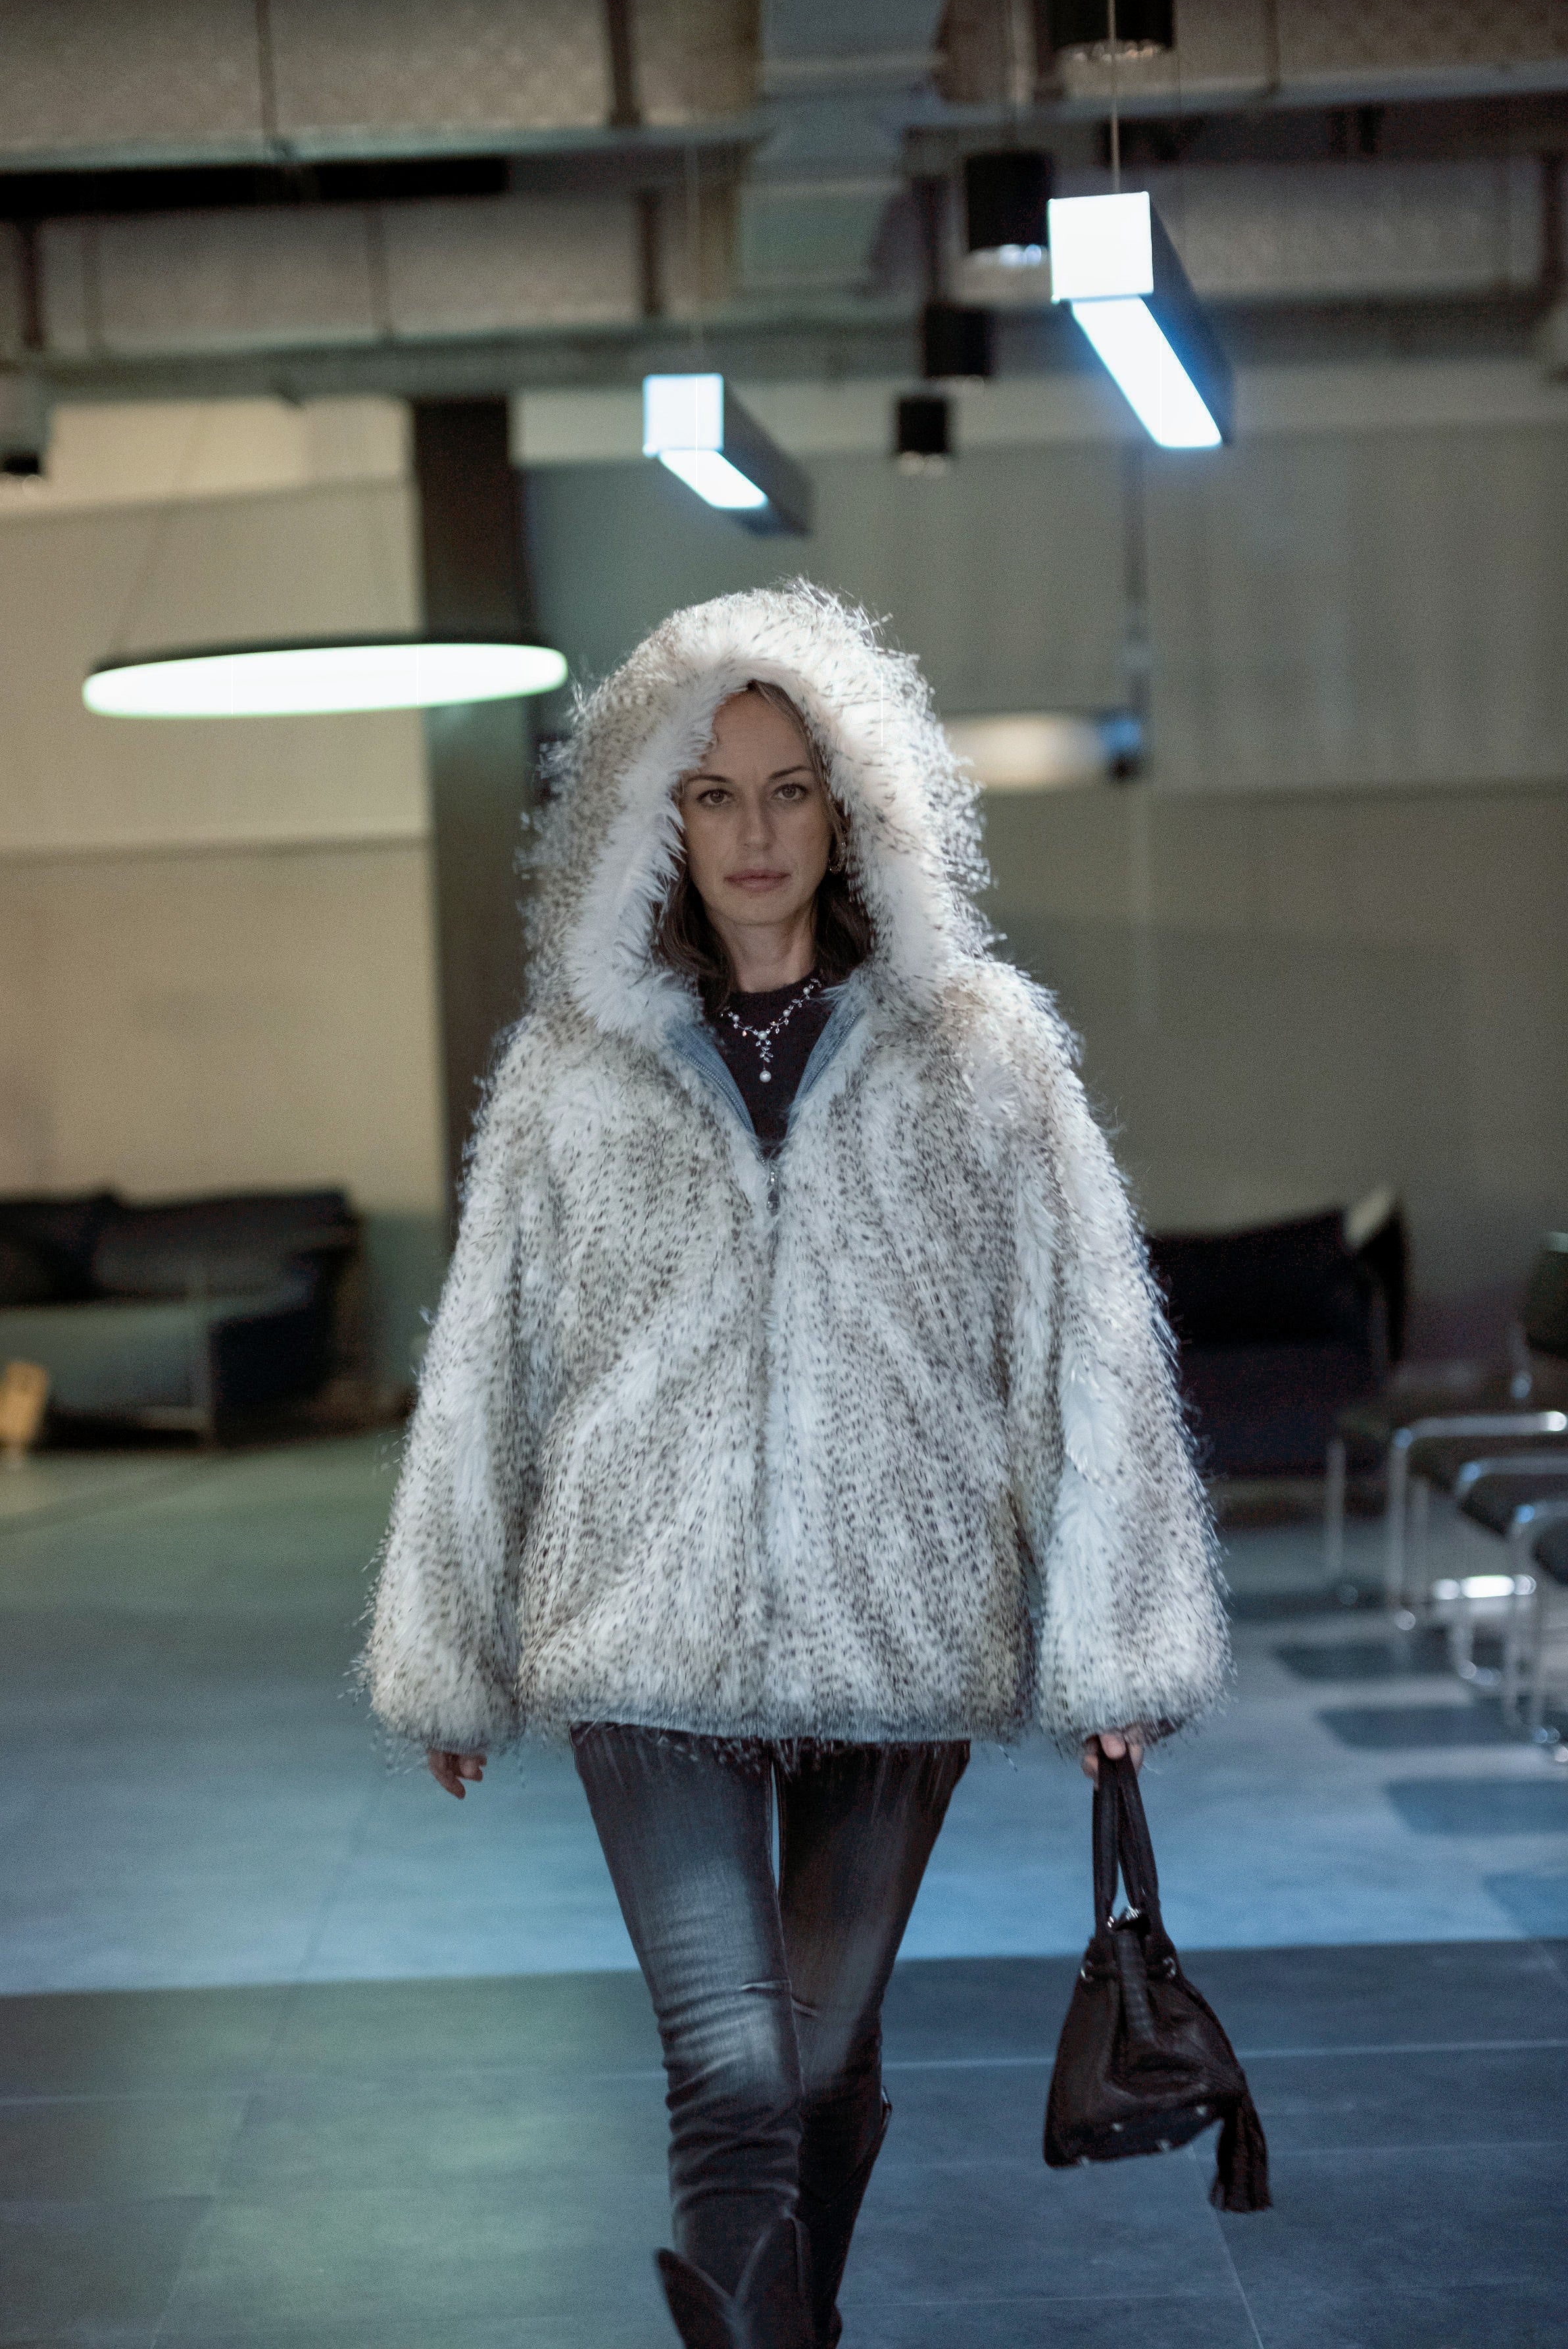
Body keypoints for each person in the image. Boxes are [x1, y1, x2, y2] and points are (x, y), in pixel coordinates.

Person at [360, 581, 1230, 2349]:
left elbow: (1086, 1343)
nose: (754, 834)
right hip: (641, 1627)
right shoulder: (573, 1072)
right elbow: (487, 1368)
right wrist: (449, 1646)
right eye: (713, 793)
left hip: (901, 1626)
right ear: (655, 816)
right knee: (736, 2069)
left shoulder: (979, 1052)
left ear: (855, 808)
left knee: (823, 2069)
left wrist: (1116, 1640)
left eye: (789, 790)